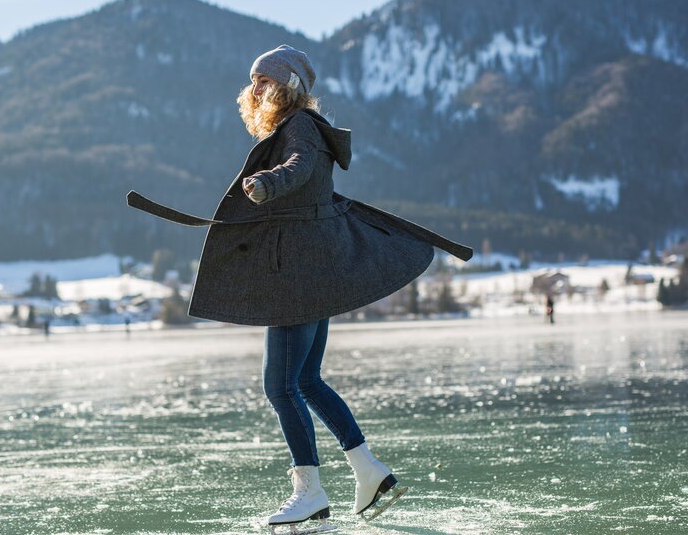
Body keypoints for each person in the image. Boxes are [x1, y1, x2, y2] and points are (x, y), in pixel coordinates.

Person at [126, 44, 473, 533]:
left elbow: (300, 167)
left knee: (280, 385)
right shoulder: (298, 128)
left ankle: (308, 493)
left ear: (289, 84)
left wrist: (267, 183)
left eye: (265, 81)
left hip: (296, 274)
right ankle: (368, 470)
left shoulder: (301, 128)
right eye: (254, 81)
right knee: (305, 381)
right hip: (310, 269)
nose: (257, 89)